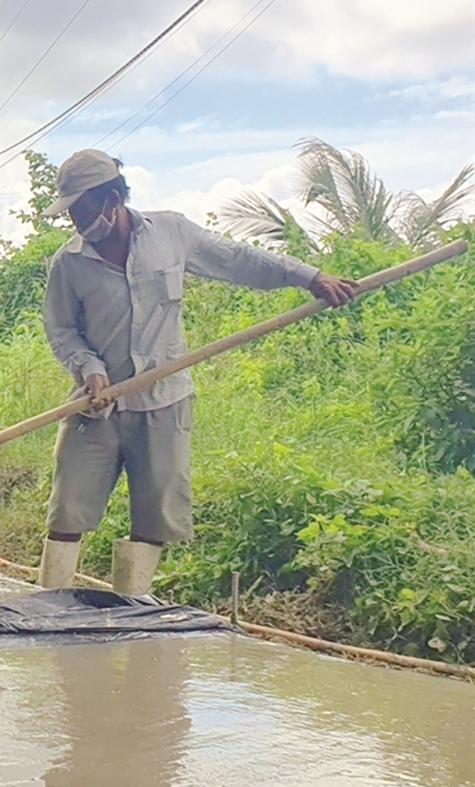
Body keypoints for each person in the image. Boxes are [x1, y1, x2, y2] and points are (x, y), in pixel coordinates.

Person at [37, 150, 357, 595]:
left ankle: (134, 613)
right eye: (69, 211)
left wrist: (310, 276)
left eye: (81, 209)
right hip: (96, 408)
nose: (75, 220)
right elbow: (62, 329)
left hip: (164, 402)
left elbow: (238, 260)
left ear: (112, 199)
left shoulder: (171, 233)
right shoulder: (68, 264)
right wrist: (89, 368)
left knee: (155, 516)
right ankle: (46, 610)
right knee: (68, 511)